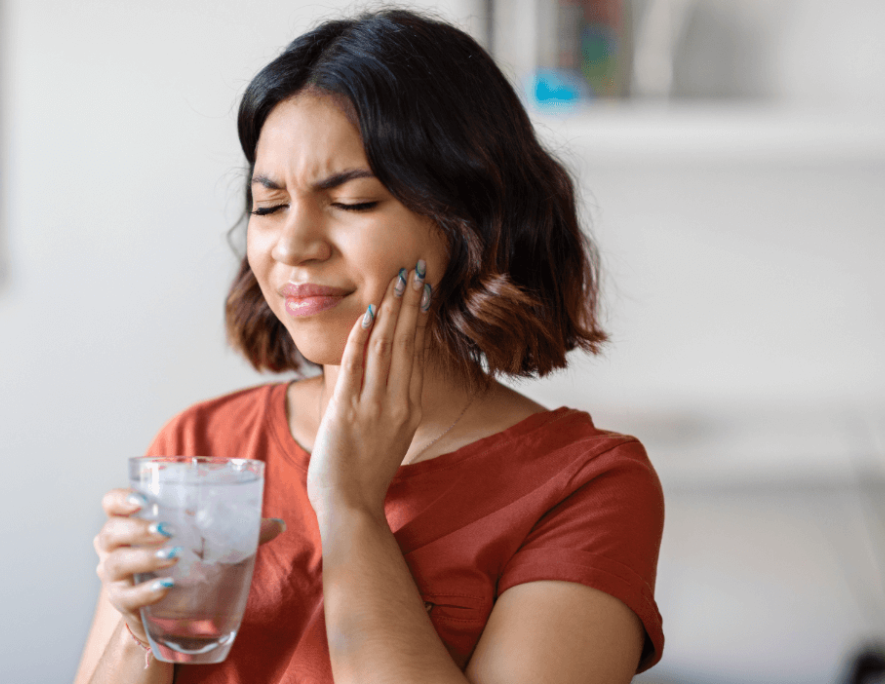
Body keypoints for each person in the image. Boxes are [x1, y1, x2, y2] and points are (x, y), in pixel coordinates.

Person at [75, 8, 664, 684]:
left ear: (470, 221)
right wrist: (141, 627)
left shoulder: (586, 485)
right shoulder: (199, 444)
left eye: (352, 202)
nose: (293, 245)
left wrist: (350, 507)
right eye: (269, 206)